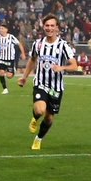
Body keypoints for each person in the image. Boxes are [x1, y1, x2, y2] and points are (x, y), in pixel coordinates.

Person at [17, 14, 78, 150]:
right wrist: (24, 77)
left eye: (52, 26)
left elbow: (74, 66)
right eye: (47, 26)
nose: (49, 28)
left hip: (56, 88)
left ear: (57, 27)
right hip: (40, 83)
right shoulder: (38, 44)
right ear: (43, 27)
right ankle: (35, 117)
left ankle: (38, 139)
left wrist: (61, 67)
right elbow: (32, 60)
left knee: (49, 118)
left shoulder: (63, 46)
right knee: (39, 110)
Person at [0, 24, 26, 94]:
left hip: (10, 59)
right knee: (1, 72)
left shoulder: (11, 37)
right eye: (0, 28)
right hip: (2, 58)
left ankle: (13, 70)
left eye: (2, 28)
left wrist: (23, 53)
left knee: (9, 76)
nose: (0, 30)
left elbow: (19, 44)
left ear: (6, 30)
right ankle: (5, 89)